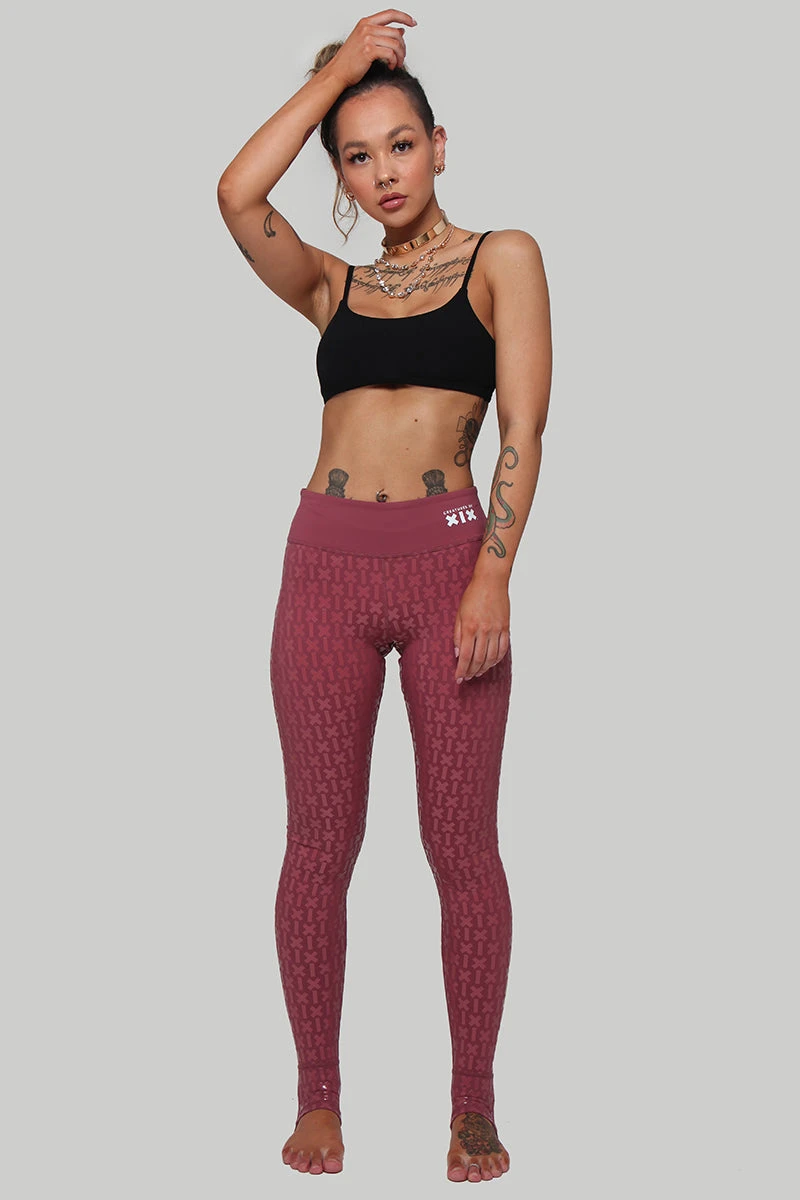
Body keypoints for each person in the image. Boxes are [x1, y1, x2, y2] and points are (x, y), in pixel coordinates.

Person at [216, 9, 551, 1183]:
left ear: (438, 145)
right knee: (317, 843)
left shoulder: (503, 257)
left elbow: (523, 428)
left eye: (400, 144)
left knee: (460, 847)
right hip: (322, 569)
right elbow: (235, 192)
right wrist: (342, 75)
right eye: (357, 157)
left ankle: (471, 1105)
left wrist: (492, 575)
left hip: (449, 567)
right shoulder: (332, 286)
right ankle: (317, 1097)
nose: (383, 172)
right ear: (342, 175)